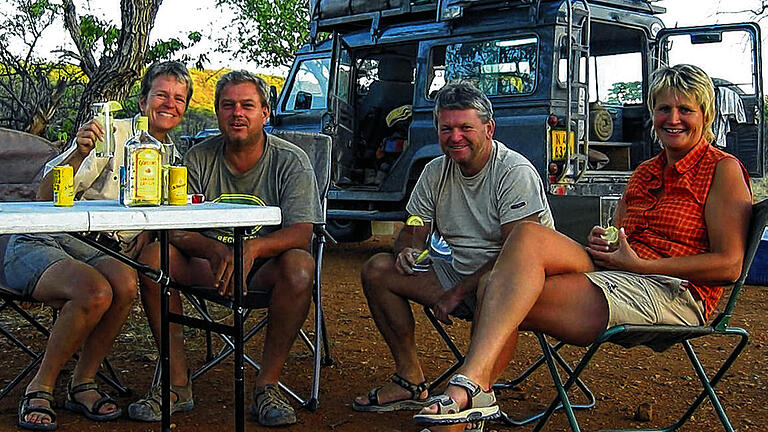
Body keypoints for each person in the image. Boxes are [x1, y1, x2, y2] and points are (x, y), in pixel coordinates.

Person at [413, 64, 752, 432]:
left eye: (685, 109)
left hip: (675, 294)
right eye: (663, 109)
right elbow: (621, 236)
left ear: (706, 114)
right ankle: (476, 391)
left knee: (503, 291)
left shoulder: (722, 169)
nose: (673, 119)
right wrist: (606, 242)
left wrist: (639, 266)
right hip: (621, 276)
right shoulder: (645, 172)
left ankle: (471, 389)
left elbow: (729, 266)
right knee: (526, 236)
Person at [3, 60, 193, 431]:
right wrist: (78, 151)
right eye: (161, 95)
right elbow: (44, 197)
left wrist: (147, 234)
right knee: (95, 291)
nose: (170, 104)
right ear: (142, 102)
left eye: (179, 99)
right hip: (47, 237)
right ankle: (39, 387)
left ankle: (82, 382)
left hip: (101, 250)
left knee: (124, 283)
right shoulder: (110, 134)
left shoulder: (174, 158)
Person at [128, 70, 323, 427]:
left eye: (247, 105)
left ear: (265, 112)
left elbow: (301, 232)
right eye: (228, 105)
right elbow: (176, 225)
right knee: (154, 257)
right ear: (216, 112)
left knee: (300, 266)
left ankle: (268, 386)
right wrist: (218, 252)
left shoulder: (290, 161)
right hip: (208, 264)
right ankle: (177, 384)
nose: (237, 113)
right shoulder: (198, 157)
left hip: (263, 269)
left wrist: (251, 249)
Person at [353, 81, 554, 413]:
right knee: (378, 269)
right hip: (458, 276)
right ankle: (409, 379)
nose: (455, 136)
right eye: (446, 128)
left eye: (465, 127)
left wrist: (459, 291)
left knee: (494, 283)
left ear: (489, 129)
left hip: (516, 286)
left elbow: (516, 255)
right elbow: (414, 225)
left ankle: (477, 392)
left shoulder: (513, 171)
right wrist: (408, 248)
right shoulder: (435, 171)